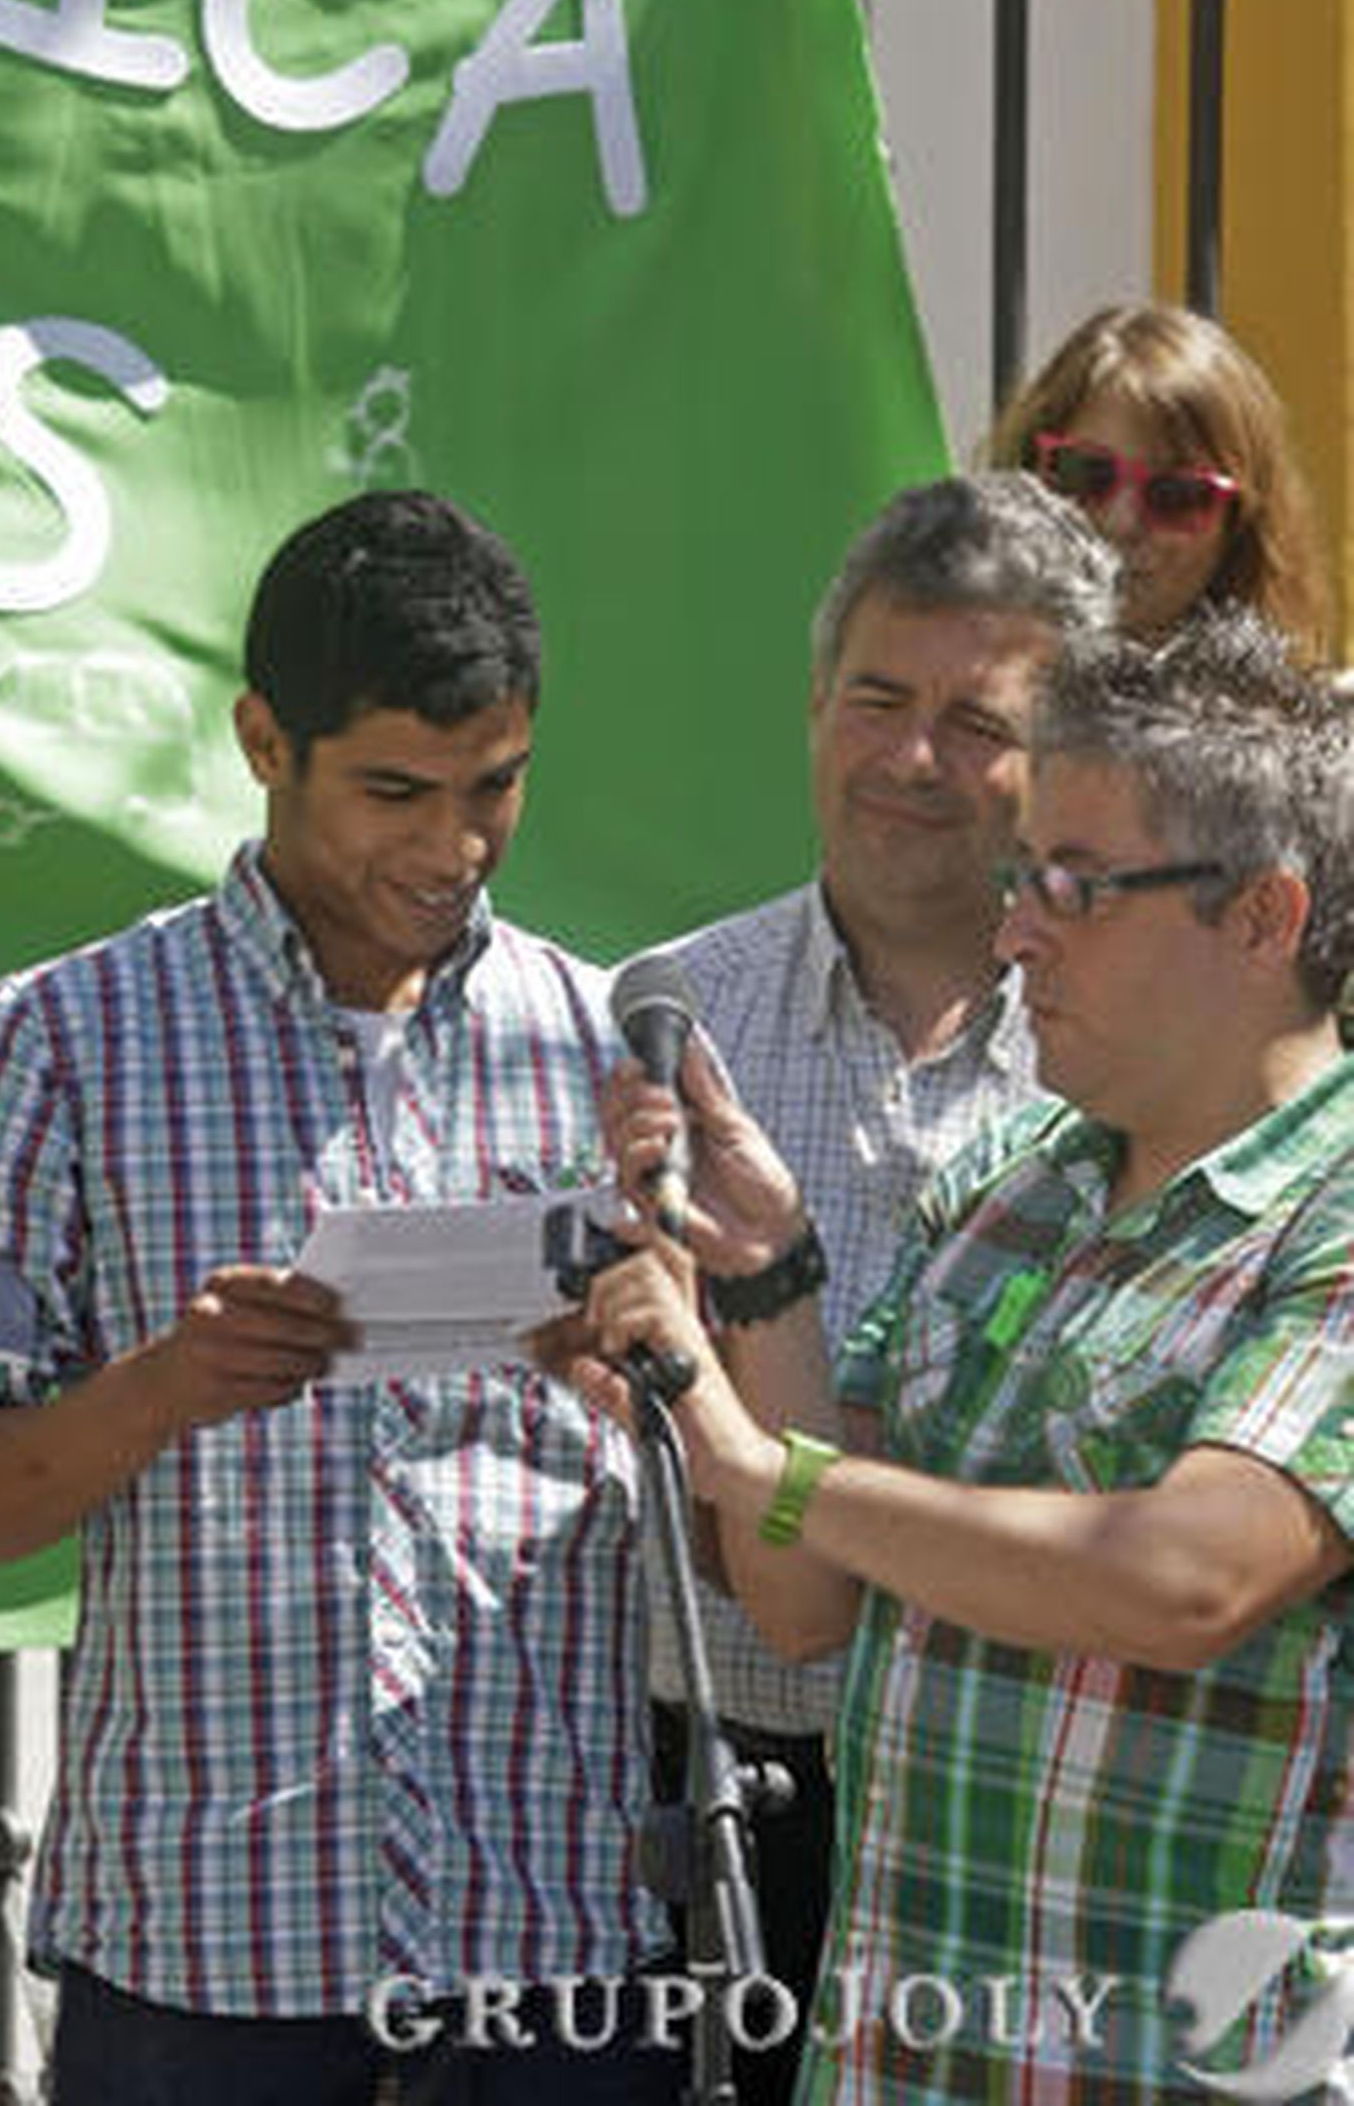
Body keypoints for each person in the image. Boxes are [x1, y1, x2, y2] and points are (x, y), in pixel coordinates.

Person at [0, 490, 677, 2106]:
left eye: (495, 786)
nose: (453, 846)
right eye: (395, 790)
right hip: (202, 1960)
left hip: (553, 1950)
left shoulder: (607, 1042)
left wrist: (649, 1370)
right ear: (263, 741)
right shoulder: (53, 1042)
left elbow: (723, 1510)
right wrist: (161, 1385)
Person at [576, 607, 1354, 2100]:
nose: (1013, 933)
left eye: (1075, 886)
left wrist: (755, 1465)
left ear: (1264, 916)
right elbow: (806, 1601)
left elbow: (1185, 1578)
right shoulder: (1014, 1179)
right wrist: (768, 1280)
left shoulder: (1332, 1206)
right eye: (1020, 877)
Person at [642, 471, 1120, 2106]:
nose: (913, 758)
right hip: (704, 1804)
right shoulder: (664, 1023)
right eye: (878, 698)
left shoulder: (1142, 1055)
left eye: (978, 723)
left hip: (1021, 1813)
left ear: (1068, 759)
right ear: (812, 705)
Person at [985, 301, 1331, 654]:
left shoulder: (1290, 692)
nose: (1121, 522)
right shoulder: (955, 679)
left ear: (1239, 527)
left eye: (1176, 496)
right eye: (1086, 474)